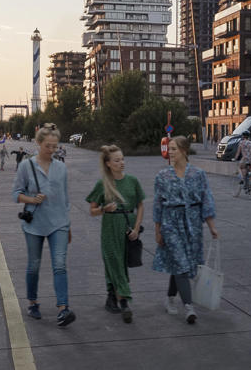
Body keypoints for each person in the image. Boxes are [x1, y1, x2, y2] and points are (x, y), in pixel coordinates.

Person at [151, 133, 218, 324]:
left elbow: (207, 199)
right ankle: (188, 306)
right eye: (169, 149)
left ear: (184, 151)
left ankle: (170, 298)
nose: (170, 152)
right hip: (170, 222)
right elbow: (157, 204)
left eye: (173, 149)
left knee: (183, 263)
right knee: (180, 262)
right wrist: (157, 230)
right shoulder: (162, 176)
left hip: (193, 223)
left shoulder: (198, 174)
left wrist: (212, 226)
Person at [14, 125, 75, 326]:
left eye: (55, 146)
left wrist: (68, 225)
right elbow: (16, 194)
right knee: (34, 265)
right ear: (38, 143)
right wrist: (31, 200)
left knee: (59, 264)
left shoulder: (61, 167)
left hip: (58, 222)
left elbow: (65, 199)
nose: (51, 150)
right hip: (35, 224)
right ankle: (33, 302)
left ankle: (63, 309)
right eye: (48, 146)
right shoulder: (26, 166)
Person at [85, 143, 147, 323]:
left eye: (122, 159)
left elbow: (141, 204)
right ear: (108, 164)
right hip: (110, 227)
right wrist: (104, 209)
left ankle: (111, 295)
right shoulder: (102, 184)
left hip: (127, 226)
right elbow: (92, 210)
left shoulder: (133, 181)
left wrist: (136, 228)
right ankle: (124, 300)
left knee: (122, 262)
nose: (121, 163)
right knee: (115, 262)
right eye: (117, 160)